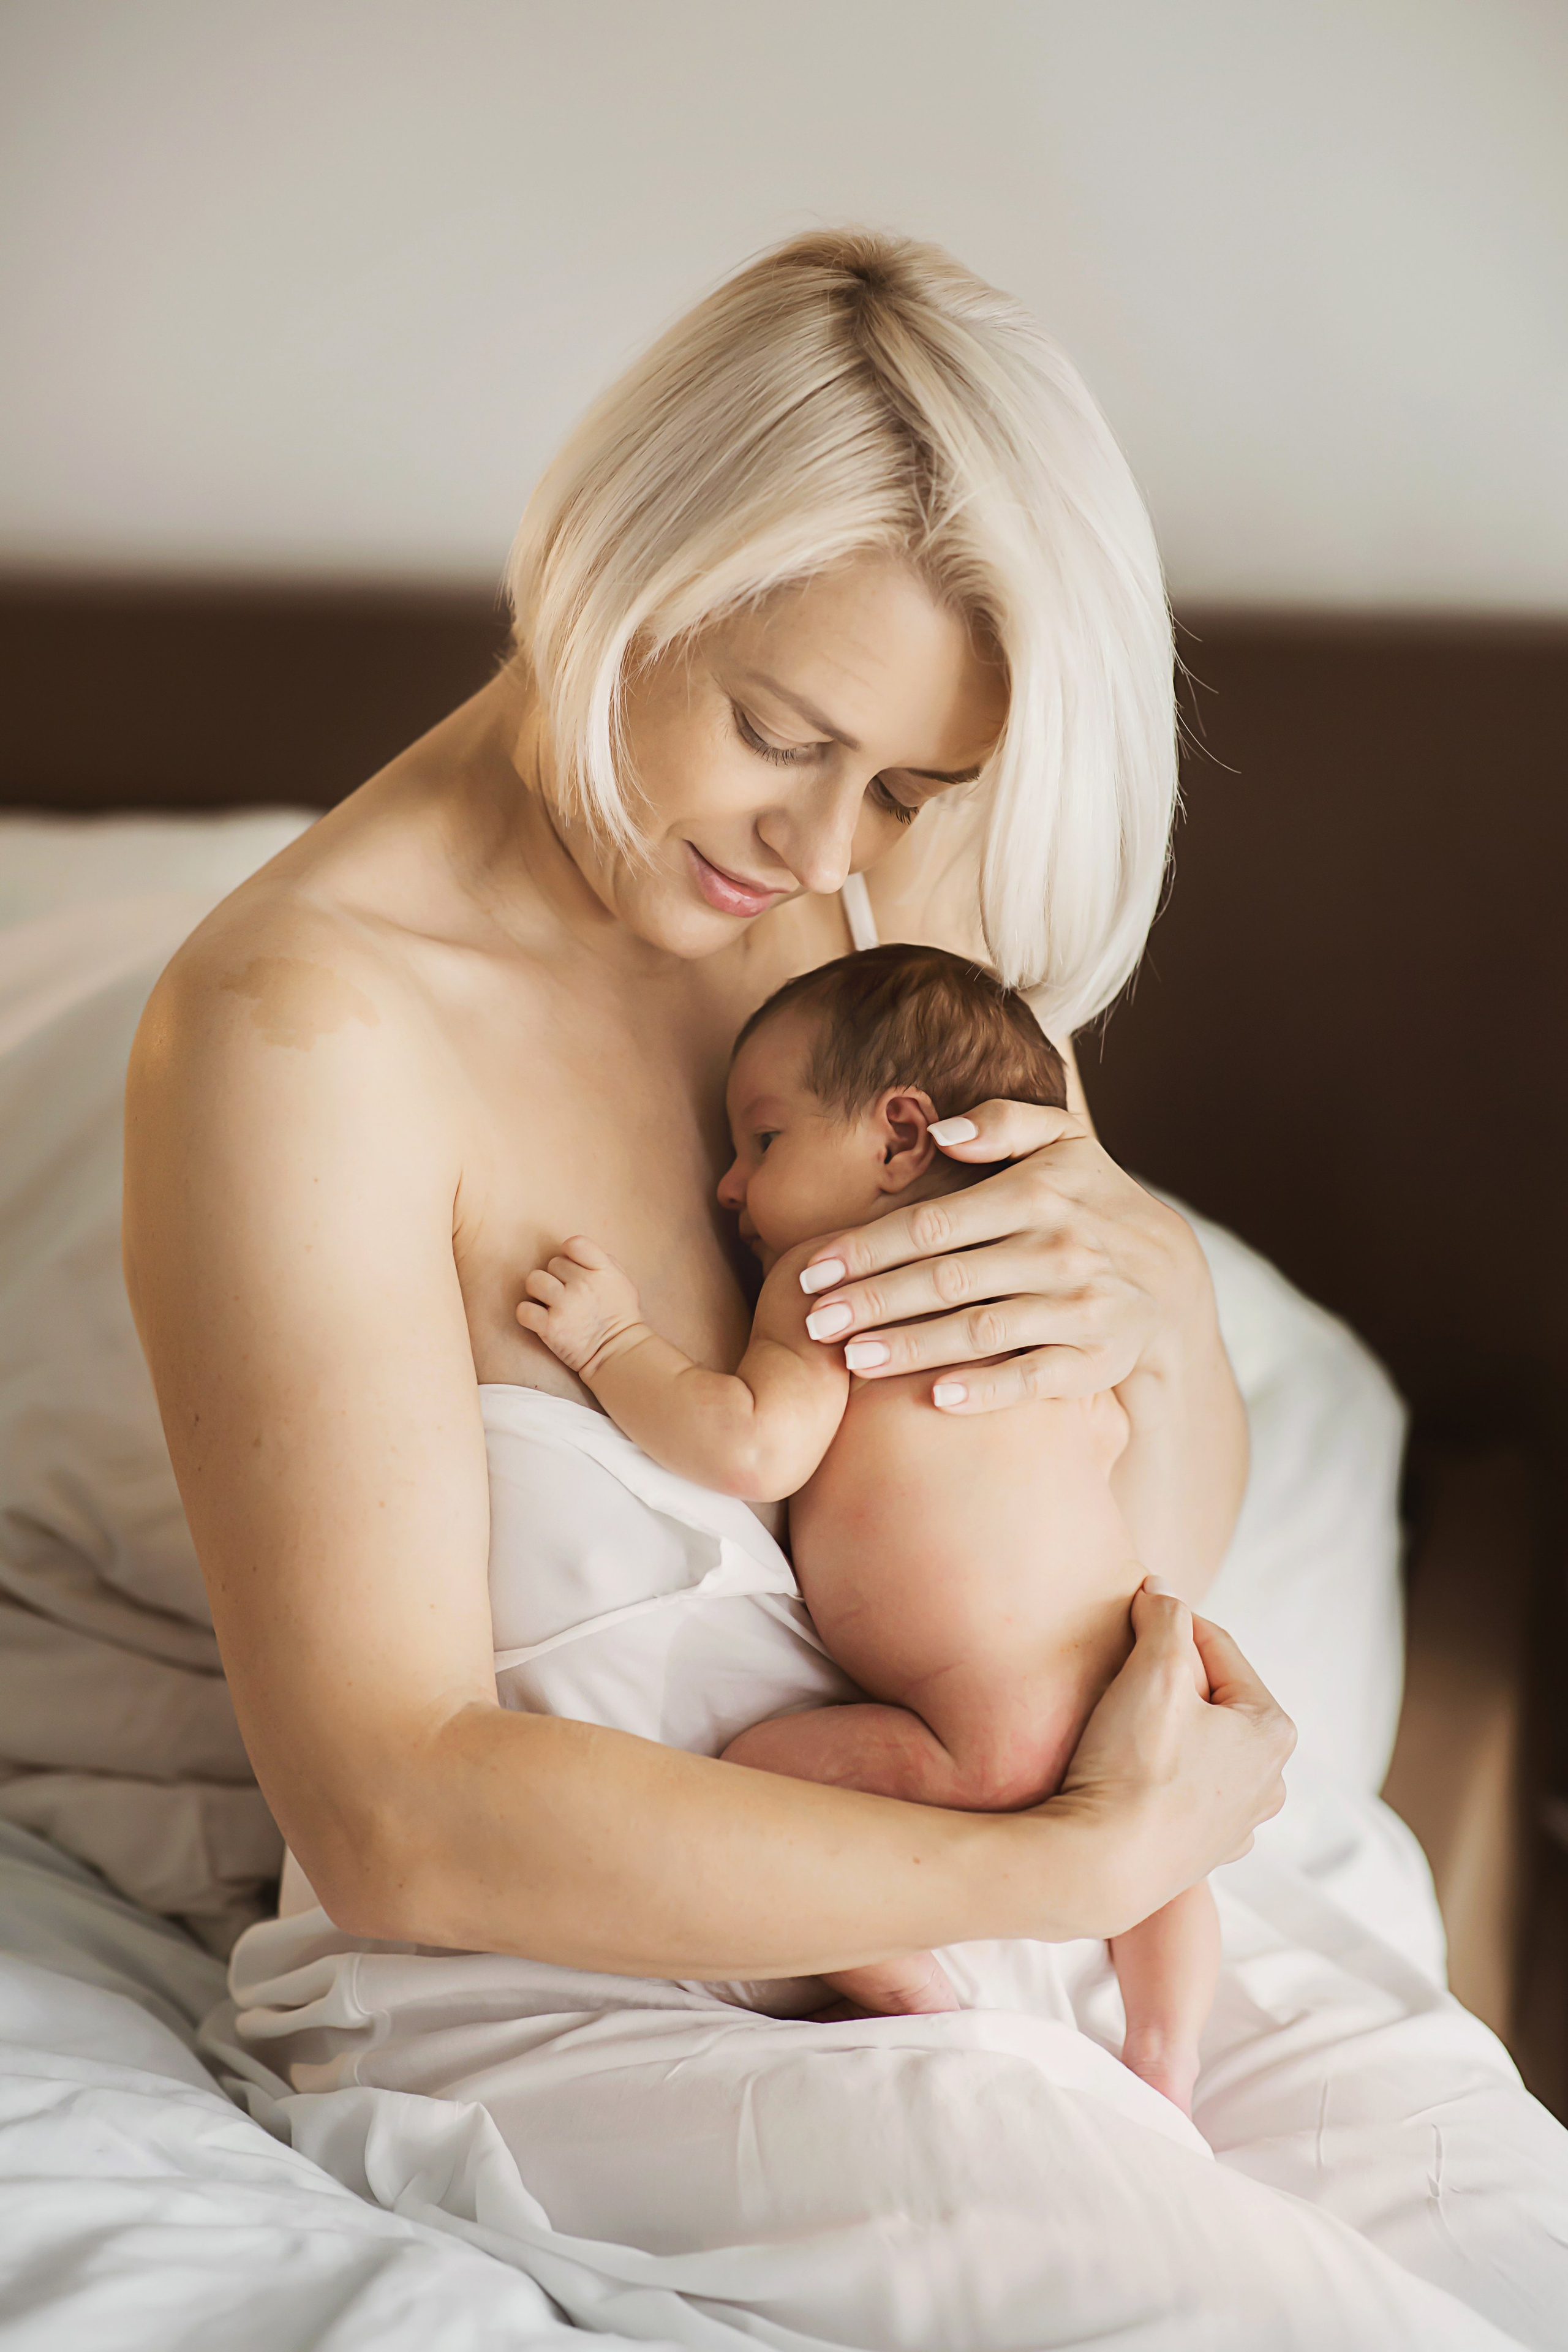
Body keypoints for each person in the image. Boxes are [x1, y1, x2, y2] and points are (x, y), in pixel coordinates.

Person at [124, 230, 1568, 2347]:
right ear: (617, 563)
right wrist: (1044, 1873)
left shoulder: (868, 925)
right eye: (776, 734)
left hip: (1073, 1855)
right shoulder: (296, 1035)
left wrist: (1137, 1288)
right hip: (608, 1992)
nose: (820, 846)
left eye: (903, 783)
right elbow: (398, 1815)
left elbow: (1142, 1517)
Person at [518, 941, 1220, 2111]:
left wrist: (609, 1346)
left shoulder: (829, 1278)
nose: (729, 1187)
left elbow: (751, 1444)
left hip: (974, 1738)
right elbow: (1110, 1445)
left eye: (765, 1139)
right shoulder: (1055, 1285)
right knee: (1172, 1858)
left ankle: (918, 1999)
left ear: (898, 1137)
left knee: (753, 1788)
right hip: (1141, 1686)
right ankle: (1168, 2051)